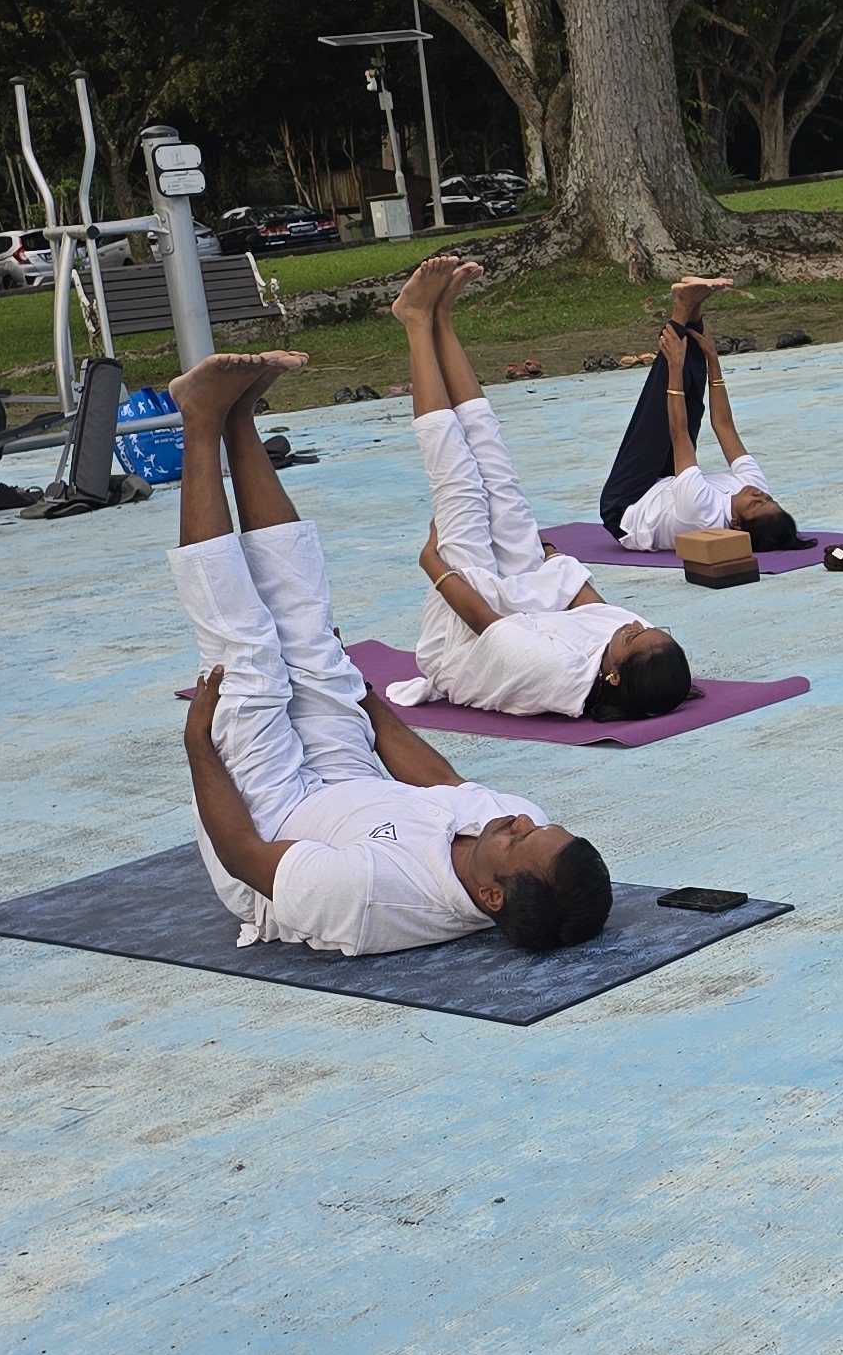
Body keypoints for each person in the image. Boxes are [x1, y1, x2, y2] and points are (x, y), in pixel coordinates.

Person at [170, 347, 611, 958]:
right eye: (534, 826)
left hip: (271, 823)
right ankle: (241, 415)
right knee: (310, 631)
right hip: (350, 782)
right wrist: (357, 690)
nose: (520, 820)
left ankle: (198, 419)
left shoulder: (377, 898)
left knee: (246, 655)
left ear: (491, 896)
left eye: (518, 839)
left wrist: (199, 746)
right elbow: (442, 782)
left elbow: (246, 856)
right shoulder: (512, 826)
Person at [392, 258, 692, 722]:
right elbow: (587, 604)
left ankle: (415, 320)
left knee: (460, 485)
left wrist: (432, 561)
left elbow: (482, 620)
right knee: (497, 467)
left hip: (466, 643)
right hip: (529, 605)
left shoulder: (554, 673)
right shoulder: (633, 643)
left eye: (634, 635)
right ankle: (443, 320)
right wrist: (548, 555)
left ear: (613, 677)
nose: (635, 624)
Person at [599, 277, 797, 554]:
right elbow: (724, 425)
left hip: (627, 505)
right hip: (668, 487)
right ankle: (695, 307)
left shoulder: (702, 514)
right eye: (769, 499)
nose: (759, 495)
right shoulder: (754, 489)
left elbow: (677, 431)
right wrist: (712, 359)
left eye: (756, 504)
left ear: (736, 524)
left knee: (658, 415)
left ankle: (681, 308)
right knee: (693, 401)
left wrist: (675, 366)